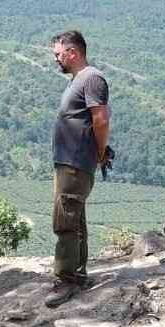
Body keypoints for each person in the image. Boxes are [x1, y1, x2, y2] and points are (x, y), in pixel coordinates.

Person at [44, 30, 110, 308]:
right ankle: (78, 274)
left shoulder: (91, 78)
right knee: (75, 219)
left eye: (58, 54)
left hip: (75, 161)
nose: (56, 60)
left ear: (73, 52)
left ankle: (66, 280)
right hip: (69, 160)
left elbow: (101, 119)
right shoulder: (78, 80)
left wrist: (100, 151)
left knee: (65, 221)